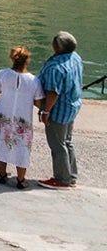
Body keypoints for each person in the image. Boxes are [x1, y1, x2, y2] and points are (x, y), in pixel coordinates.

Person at [0, 46, 43, 187]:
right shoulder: (34, 81)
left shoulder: (2, 74)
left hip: (3, 115)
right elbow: (38, 102)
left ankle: (2, 174)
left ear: (12, 59)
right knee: (23, 147)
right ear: (27, 60)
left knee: (2, 143)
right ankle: (20, 179)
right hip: (23, 119)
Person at [38, 31, 84, 189]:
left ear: (57, 47)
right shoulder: (75, 58)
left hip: (58, 110)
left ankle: (62, 180)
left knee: (57, 145)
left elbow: (53, 92)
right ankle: (71, 175)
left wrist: (46, 111)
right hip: (72, 106)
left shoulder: (56, 68)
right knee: (67, 141)